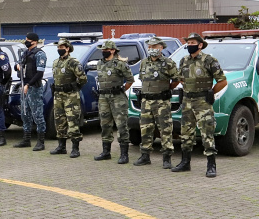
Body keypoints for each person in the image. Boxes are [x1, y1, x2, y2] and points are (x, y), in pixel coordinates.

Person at [173, 33, 227, 178]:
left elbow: (222, 81)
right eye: (188, 42)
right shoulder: (183, 60)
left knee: (207, 133)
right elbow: (181, 79)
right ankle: (185, 162)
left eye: (192, 42)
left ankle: (211, 165)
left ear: (200, 45)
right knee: (186, 133)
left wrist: (211, 92)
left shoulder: (209, 60)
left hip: (202, 102)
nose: (189, 45)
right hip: (187, 102)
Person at [135, 37, 182, 168]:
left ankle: (167, 158)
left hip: (161, 102)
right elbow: (143, 80)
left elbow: (176, 80)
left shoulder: (168, 63)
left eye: (154, 47)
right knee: (145, 129)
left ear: (161, 48)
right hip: (146, 102)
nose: (151, 49)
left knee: (165, 129)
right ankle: (145, 156)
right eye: (149, 47)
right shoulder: (143, 63)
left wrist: (166, 90)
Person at [94, 40, 134, 163]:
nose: (103, 52)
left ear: (112, 50)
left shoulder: (120, 64)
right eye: (102, 50)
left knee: (121, 125)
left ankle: (124, 154)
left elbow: (130, 80)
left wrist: (121, 90)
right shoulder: (100, 63)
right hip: (103, 98)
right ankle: (106, 152)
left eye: (106, 50)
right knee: (105, 124)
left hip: (117, 98)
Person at [50, 38, 88, 157]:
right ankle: (61, 146)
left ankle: (75, 148)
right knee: (59, 121)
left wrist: (74, 87)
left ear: (67, 48)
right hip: (58, 95)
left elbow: (83, 78)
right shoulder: (56, 62)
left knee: (72, 121)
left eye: (62, 47)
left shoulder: (73, 62)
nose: (60, 49)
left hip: (70, 96)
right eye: (58, 48)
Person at [14, 32, 48, 151]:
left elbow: (39, 73)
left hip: (33, 88)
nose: (26, 41)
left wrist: (29, 84)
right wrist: (17, 66)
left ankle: (41, 142)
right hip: (24, 87)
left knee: (37, 115)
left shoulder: (39, 54)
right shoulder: (25, 53)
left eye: (28, 39)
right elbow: (18, 65)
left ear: (34, 41)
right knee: (25, 113)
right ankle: (26, 139)